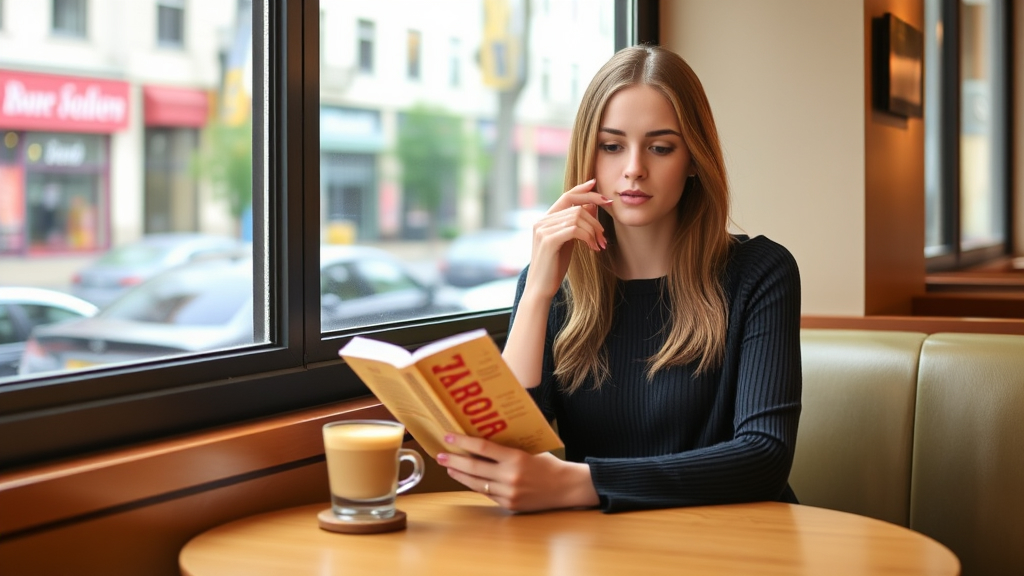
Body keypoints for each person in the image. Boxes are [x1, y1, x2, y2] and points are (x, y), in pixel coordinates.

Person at [437, 45, 802, 514]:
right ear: (588, 157)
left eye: (660, 147)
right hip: (602, 549)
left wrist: (582, 484)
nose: (633, 168)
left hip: (734, 544)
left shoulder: (760, 273)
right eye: (612, 146)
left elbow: (764, 458)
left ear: (693, 158)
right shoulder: (553, 283)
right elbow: (499, 451)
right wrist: (537, 294)